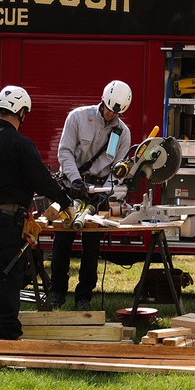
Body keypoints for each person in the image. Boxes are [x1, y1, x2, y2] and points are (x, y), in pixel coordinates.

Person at [0, 86, 75, 340]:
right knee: (8, 273)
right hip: (6, 221)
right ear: (22, 112)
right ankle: (8, 330)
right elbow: (42, 180)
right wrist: (66, 202)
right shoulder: (20, 144)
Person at [49, 80, 133, 311]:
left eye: (115, 113)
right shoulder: (77, 117)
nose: (110, 114)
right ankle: (57, 291)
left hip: (98, 192)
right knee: (62, 243)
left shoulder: (122, 133)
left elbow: (118, 169)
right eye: (108, 109)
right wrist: (74, 180)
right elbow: (65, 152)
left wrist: (107, 192)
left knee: (91, 248)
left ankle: (84, 296)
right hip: (71, 186)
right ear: (103, 100)